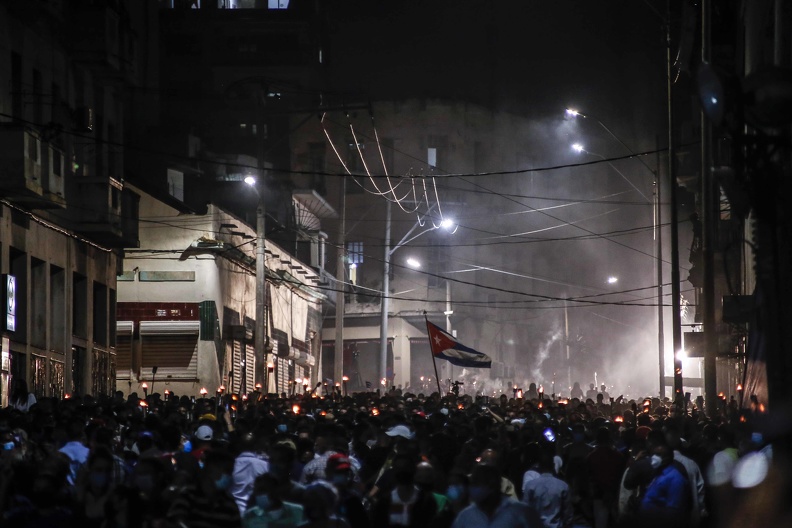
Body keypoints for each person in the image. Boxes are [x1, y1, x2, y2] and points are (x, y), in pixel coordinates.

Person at [167, 448, 242, 528]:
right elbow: (177, 519)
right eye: (227, 471)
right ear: (211, 469)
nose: (229, 476)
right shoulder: (189, 494)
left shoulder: (230, 505)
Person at [452, 464, 536, 528]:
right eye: (472, 484)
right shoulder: (465, 516)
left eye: (476, 483)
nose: (472, 488)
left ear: (492, 484)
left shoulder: (521, 512)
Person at [522, 452, 573, 528]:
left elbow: (525, 511)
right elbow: (567, 514)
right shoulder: (563, 486)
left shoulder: (530, 486)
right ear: (553, 466)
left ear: (539, 466)